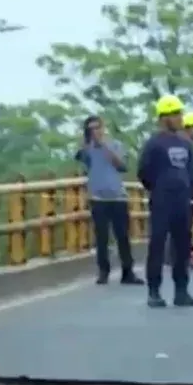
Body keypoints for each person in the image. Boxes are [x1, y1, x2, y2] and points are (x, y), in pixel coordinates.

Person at [137, 94, 193, 308]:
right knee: (157, 245)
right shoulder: (154, 144)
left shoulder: (186, 144)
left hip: (183, 202)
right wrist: (159, 188)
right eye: (176, 114)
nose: (180, 117)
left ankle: (181, 291)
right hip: (162, 201)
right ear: (165, 117)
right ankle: (154, 291)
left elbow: (192, 172)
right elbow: (144, 172)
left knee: (182, 247)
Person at [76, 115, 142, 286]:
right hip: (98, 198)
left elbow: (122, 166)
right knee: (101, 238)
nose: (95, 131)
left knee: (123, 237)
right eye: (91, 129)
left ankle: (128, 272)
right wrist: (87, 143)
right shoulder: (87, 149)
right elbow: (80, 159)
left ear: (103, 128)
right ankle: (103, 271)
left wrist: (104, 147)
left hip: (118, 197)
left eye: (98, 127)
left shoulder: (116, 145)